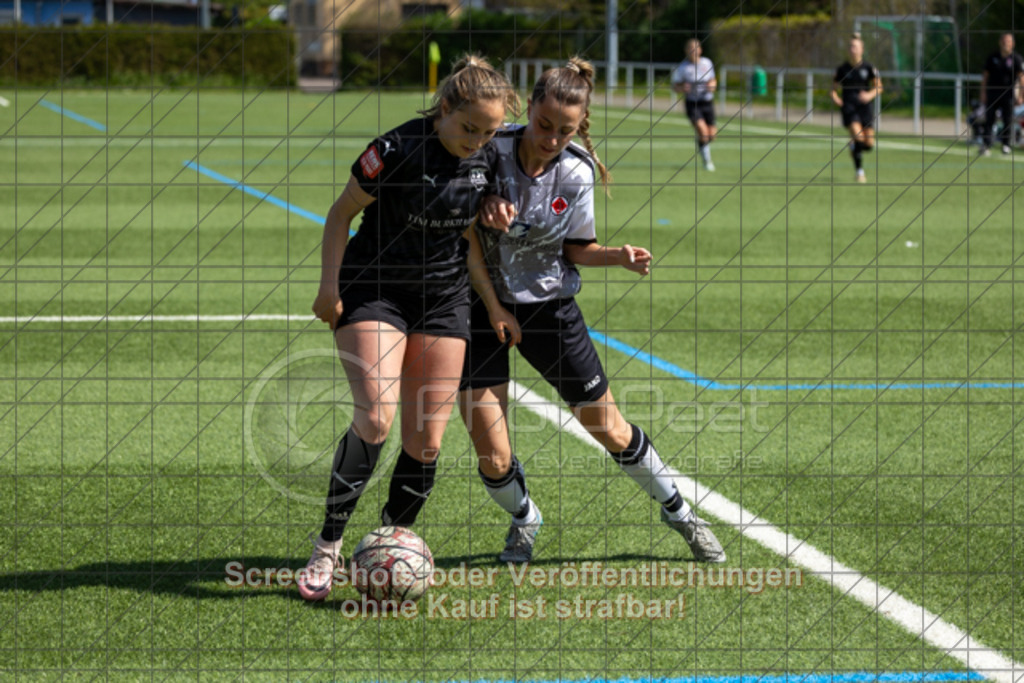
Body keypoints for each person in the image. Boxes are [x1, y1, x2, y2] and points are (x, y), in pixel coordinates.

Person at [461, 56, 727, 565]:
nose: (550, 138)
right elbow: (461, 212)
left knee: (610, 429)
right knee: (492, 454)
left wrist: (616, 257)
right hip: (479, 307)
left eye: (564, 131)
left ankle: (680, 513)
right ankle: (524, 519)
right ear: (529, 109)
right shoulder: (490, 146)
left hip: (550, 311)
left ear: (579, 126)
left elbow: (577, 248)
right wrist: (484, 203)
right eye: (542, 125)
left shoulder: (577, 171)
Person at [298, 55, 519, 601]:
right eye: (469, 128)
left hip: (444, 298)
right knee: (376, 417)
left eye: (489, 132)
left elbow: (468, 237)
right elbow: (338, 215)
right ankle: (327, 546)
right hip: (375, 289)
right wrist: (329, 288)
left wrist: (489, 294)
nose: (478, 141)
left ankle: (387, 543)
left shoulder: (487, 159)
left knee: (425, 441)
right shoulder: (394, 151)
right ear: (444, 109)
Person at [831, 33, 882, 183]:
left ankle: (854, 147)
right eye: (850, 46)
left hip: (865, 108)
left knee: (869, 145)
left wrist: (869, 95)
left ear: (862, 49)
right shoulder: (842, 69)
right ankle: (860, 173)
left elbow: (879, 87)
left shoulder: (870, 68)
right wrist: (837, 100)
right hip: (849, 108)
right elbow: (832, 89)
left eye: (855, 46)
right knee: (858, 137)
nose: (852, 49)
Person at [671, 38, 718, 171]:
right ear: (686, 51)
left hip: (707, 102)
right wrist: (682, 88)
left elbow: (713, 80)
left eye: (696, 48)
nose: (693, 51)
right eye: (690, 49)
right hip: (692, 103)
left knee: (711, 135)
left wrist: (712, 86)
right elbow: (676, 86)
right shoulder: (683, 68)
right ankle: (707, 161)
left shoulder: (707, 63)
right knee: (702, 131)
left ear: (700, 50)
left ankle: (701, 145)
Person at [979, 32, 1024, 156]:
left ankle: (1006, 145)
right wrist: (983, 93)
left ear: (1012, 44)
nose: (1005, 44)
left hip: (1008, 95)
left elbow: (1021, 78)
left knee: (1007, 120)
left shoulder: (1017, 59)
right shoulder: (992, 57)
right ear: (1000, 42)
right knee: (989, 119)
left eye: (1008, 41)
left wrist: (1021, 96)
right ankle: (986, 145)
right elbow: (985, 77)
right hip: (992, 93)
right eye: (1004, 41)